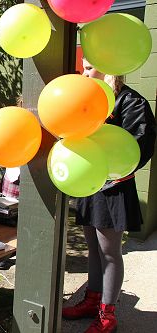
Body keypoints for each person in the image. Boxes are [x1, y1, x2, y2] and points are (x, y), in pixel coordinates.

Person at [62, 58, 156, 333]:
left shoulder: (131, 102)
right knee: (93, 247)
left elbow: (140, 146)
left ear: (109, 68)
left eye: (89, 67)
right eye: (83, 67)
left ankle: (107, 315)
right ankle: (92, 301)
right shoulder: (89, 101)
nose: (84, 73)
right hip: (89, 184)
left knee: (110, 252)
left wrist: (110, 169)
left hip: (114, 188)